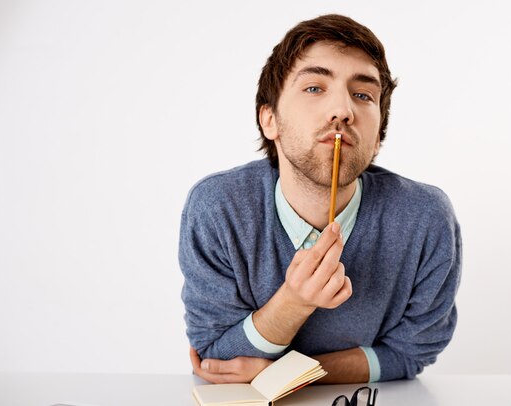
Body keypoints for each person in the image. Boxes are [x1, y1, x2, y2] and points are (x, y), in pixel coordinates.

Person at [179, 14, 461, 384]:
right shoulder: (218, 208)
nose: (343, 110)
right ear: (270, 121)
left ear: (378, 138)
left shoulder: (426, 218)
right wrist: (293, 302)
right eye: (314, 88)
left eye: (363, 95)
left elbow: (412, 352)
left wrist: (290, 376)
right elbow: (214, 358)